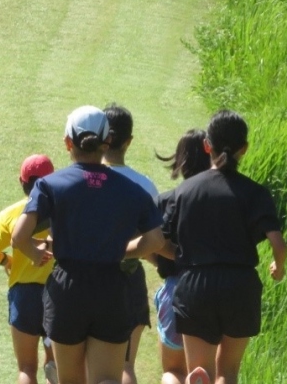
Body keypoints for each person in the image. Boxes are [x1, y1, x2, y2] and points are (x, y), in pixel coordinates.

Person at [12, 105, 165, 384]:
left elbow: (18, 236)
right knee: (108, 379)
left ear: (68, 142)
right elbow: (155, 239)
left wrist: (35, 253)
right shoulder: (132, 190)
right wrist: (122, 251)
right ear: (107, 142)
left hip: (67, 289)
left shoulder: (49, 185)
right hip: (112, 288)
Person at [162, 110, 287, 384]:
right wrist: (279, 266)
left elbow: (162, 239)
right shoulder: (256, 193)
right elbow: (278, 242)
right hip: (240, 285)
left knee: (199, 369)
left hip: (196, 282)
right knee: (228, 372)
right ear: (244, 149)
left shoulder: (185, 192)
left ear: (207, 145)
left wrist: (181, 256)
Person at [0, 154, 59, 384]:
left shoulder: (11, 214)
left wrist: (6, 261)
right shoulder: (61, 211)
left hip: (24, 295)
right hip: (58, 294)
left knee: (26, 368)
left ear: (21, 181)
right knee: (59, 365)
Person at [101, 104, 159, 384]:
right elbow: (154, 241)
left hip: (89, 281)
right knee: (125, 366)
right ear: (128, 141)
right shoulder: (145, 186)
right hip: (130, 279)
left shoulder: (81, 179)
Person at [151, 130, 211, 384]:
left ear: (180, 160)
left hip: (176, 289)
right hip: (212, 290)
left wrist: (175, 257)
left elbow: (151, 246)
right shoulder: (220, 200)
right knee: (205, 371)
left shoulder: (166, 200)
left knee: (172, 371)